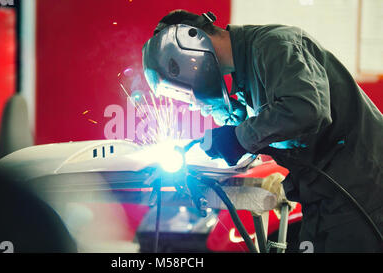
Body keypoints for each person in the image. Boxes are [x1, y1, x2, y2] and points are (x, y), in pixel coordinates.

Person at [142, 10, 383, 252]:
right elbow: (273, 123)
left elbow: (306, 109)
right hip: (324, 199)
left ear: (189, 43)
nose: (190, 93)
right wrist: (222, 110)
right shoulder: (247, 72)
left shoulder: (275, 46)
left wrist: (238, 138)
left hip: (361, 193)